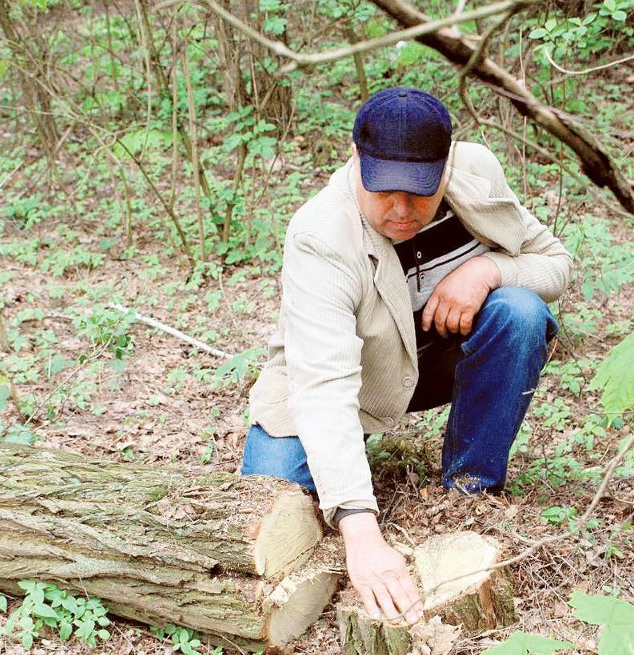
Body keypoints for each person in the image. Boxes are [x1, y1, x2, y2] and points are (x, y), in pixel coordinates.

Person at [241, 87, 572, 625]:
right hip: (345, 382)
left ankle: (470, 489)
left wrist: (490, 271)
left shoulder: (476, 171)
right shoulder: (321, 235)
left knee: (519, 312)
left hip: (433, 364)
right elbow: (323, 387)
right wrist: (361, 529)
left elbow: (555, 263)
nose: (401, 211)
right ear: (356, 159)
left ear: (446, 166)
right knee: (271, 503)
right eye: (385, 192)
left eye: (419, 192)